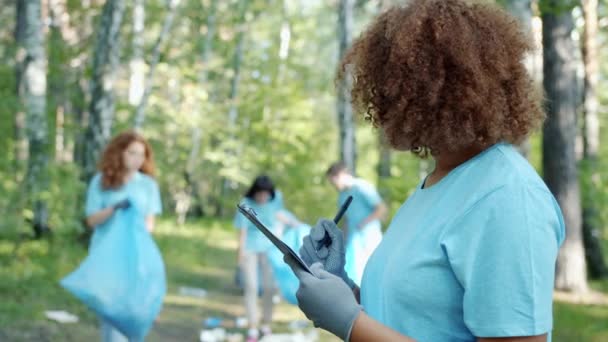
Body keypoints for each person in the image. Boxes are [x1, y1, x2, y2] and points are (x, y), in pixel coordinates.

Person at [287, 1, 565, 341]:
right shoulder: (437, 184)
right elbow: (413, 317)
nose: (381, 104)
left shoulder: (507, 197)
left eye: (390, 88)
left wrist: (350, 323)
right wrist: (340, 289)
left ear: (433, 91)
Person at [84, 131, 162, 341]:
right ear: (119, 152)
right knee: (112, 318)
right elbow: (91, 220)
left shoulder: (148, 185)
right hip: (105, 257)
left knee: (130, 316)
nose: (137, 159)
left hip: (135, 258)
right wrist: (113, 209)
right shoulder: (101, 182)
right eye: (132, 153)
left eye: (142, 155)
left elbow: (149, 224)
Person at [234, 175, 296, 342]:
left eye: (266, 194)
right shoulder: (245, 204)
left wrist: (295, 225)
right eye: (260, 194)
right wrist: (239, 255)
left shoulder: (276, 200)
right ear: (254, 192)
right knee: (251, 287)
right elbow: (242, 232)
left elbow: (280, 216)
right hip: (250, 249)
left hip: (271, 250)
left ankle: (266, 324)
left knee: (270, 288)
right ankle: (253, 328)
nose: (263, 198)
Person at [325, 162, 386, 285]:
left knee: (372, 273)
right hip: (354, 242)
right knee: (353, 274)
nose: (334, 185)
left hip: (369, 238)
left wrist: (364, 223)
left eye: (333, 181)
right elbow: (346, 220)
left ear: (340, 175)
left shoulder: (362, 187)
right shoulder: (342, 196)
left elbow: (381, 209)